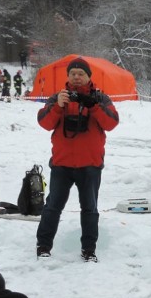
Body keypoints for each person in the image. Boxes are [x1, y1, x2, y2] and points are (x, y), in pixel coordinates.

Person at [35, 57, 119, 261]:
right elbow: (44, 122)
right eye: (73, 73)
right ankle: (43, 247)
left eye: (81, 74)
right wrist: (58, 106)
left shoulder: (100, 98)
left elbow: (111, 123)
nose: (77, 77)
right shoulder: (59, 97)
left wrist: (93, 106)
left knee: (90, 209)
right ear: (68, 76)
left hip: (90, 165)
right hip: (62, 164)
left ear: (89, 76)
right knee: (52, 207)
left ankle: (89, 250)